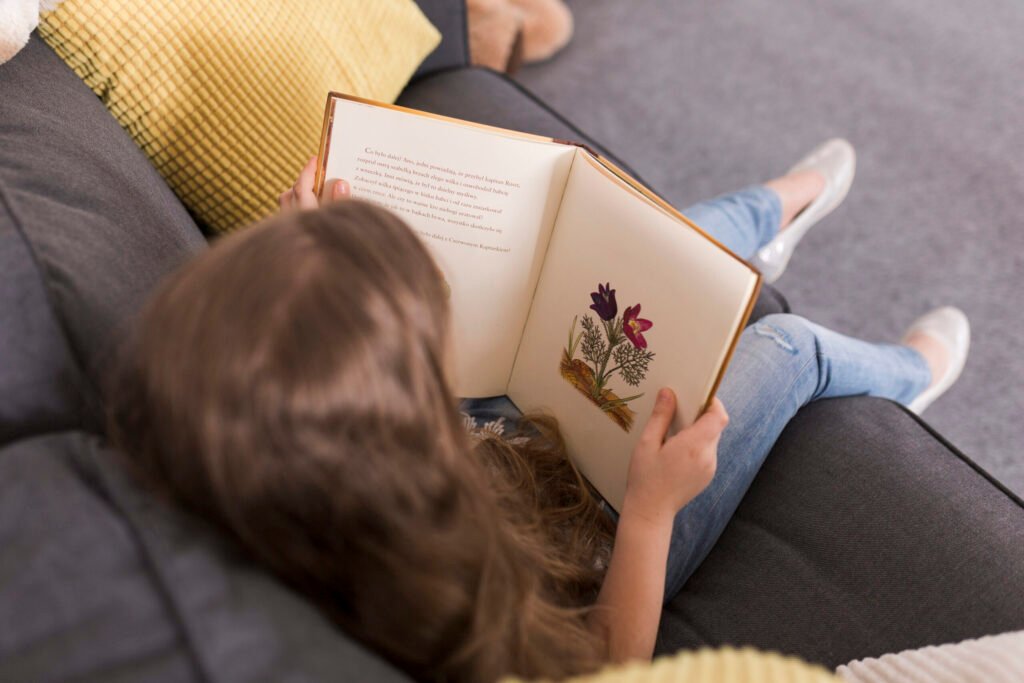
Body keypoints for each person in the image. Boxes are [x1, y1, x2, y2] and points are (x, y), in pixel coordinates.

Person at [107, 139, 969, 683]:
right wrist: (652, 511)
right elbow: (607, 664)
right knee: (786, 349)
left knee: (650, 251)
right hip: (603, 524)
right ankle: (906, 376)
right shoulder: (438, 604)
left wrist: (306, 262)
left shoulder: (249, 436)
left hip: (482, 437)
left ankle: (772, 209)